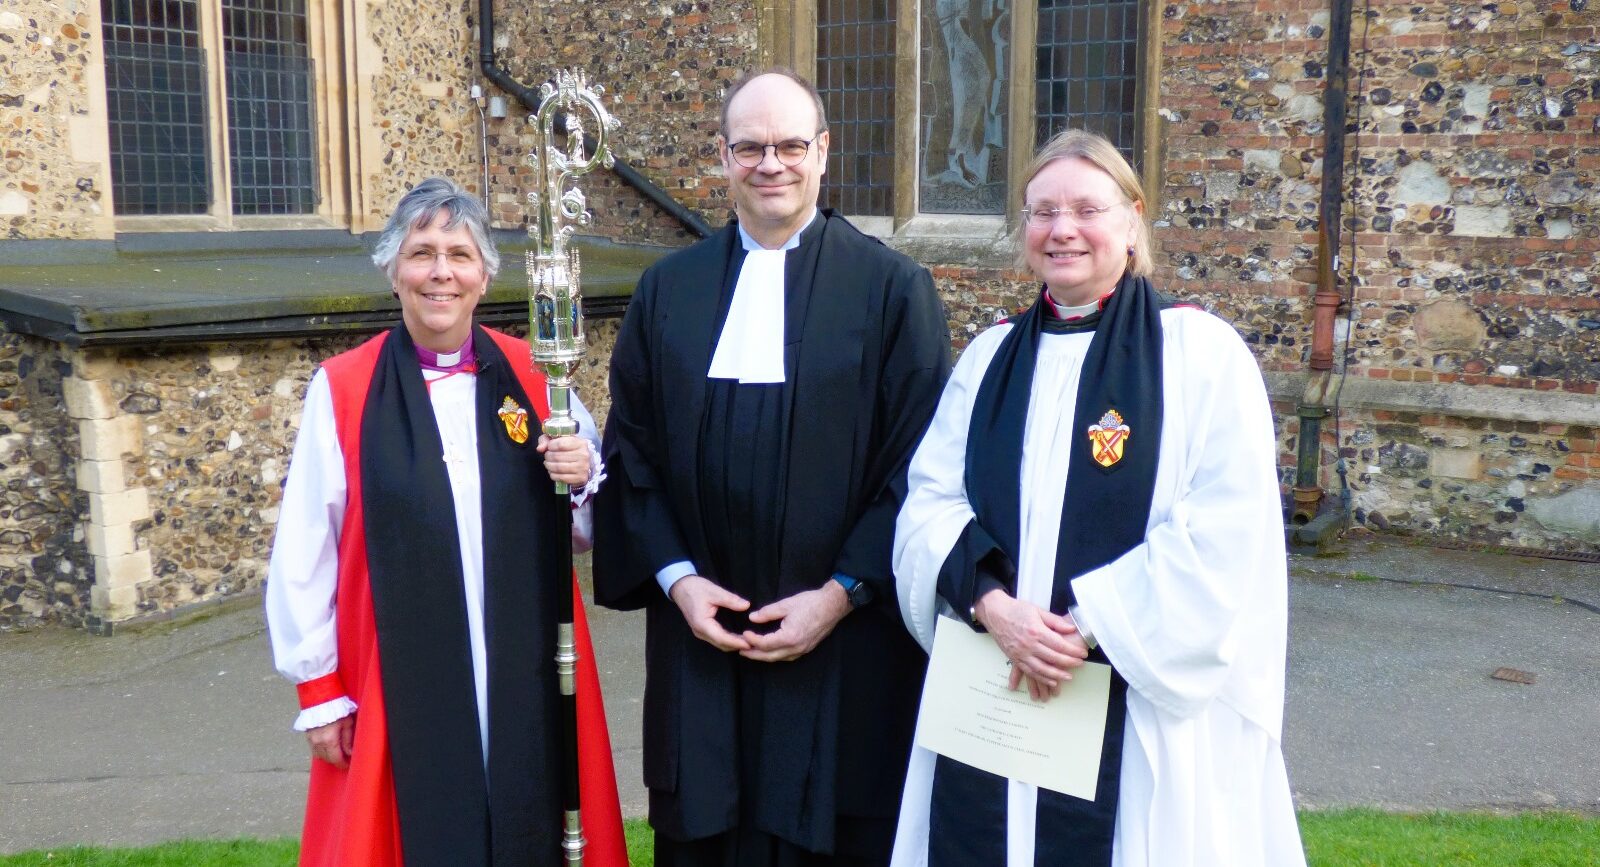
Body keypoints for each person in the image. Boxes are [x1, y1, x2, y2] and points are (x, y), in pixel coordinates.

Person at [890, 130, 1306, 867]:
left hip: (1130, 695)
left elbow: (1223, 532)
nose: (1063, 229)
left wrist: (1078, 630)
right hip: (994, 691)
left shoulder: (1199, 355)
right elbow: (929, 503)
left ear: (1133, 219)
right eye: (1043, 211)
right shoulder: (990, 356)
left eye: (1087, 207)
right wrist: (993, 606)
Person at [593, 69, 952, 866]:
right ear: (722, 156)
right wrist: (680, 582)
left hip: (845, 649)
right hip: (702, 650)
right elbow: (633, 456)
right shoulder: (668, 292)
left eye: (791, 144)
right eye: (750, 146)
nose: (771, 164)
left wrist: (840, 594)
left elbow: (921, 470)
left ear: (823, 153)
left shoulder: (894, 292)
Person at [264, 177, 627, 867]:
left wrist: (582, 476)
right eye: (421, 252)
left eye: (459, 254)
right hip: (399, 672)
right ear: (392, 269)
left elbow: (587, 527)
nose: (440, 272)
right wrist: (320, 690)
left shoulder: (536, 375)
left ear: (484, 274)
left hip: (522, 664)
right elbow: (305, 548)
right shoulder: (343, 388)